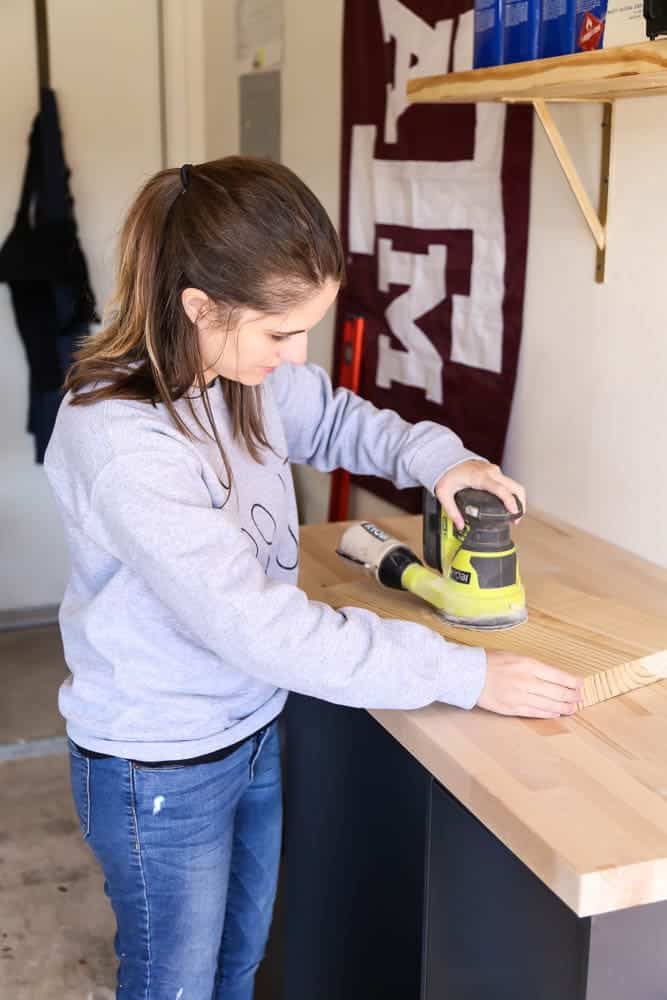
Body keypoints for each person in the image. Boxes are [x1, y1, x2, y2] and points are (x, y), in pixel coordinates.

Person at [44, 157, 582, 1000]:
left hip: (251, 723)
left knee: (237, 968)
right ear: (200, 307)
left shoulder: (236, 379)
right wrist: (465, 674)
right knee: (172, 985)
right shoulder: (120, 439)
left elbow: (337, 419)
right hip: (157, 764)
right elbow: (258, 625)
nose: (296, 356)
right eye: (280, 334)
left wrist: (442, 461)